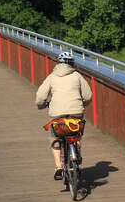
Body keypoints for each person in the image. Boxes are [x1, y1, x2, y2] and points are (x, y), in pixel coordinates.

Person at [36, 50, 92, 180]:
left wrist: (41, 105)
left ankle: (58, 166)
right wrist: (82, 105)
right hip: (76, 111)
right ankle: (77, 155)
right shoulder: (77, 76)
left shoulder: (52, 77)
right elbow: (88, 95)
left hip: (57, 113)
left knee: (54, 137)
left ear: (58, 63)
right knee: (76, 133)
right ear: (72, 64)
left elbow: (41, 96)